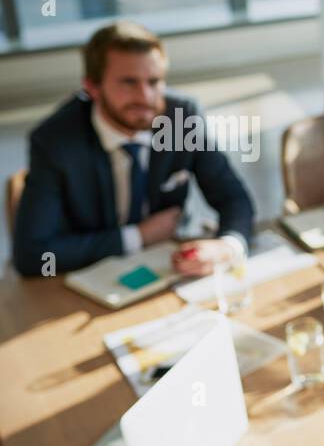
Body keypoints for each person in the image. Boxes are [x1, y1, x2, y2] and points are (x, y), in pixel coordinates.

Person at [13, 21, 254, 278]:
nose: (146, 97)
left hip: (171, 265)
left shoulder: (181, 116)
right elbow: (33, 254)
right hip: (93, 276)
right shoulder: (54, 141)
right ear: (92, 87)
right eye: (128, 83)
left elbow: (234, 198)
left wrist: (227, 246)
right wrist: (138, 236)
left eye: (154, 81)